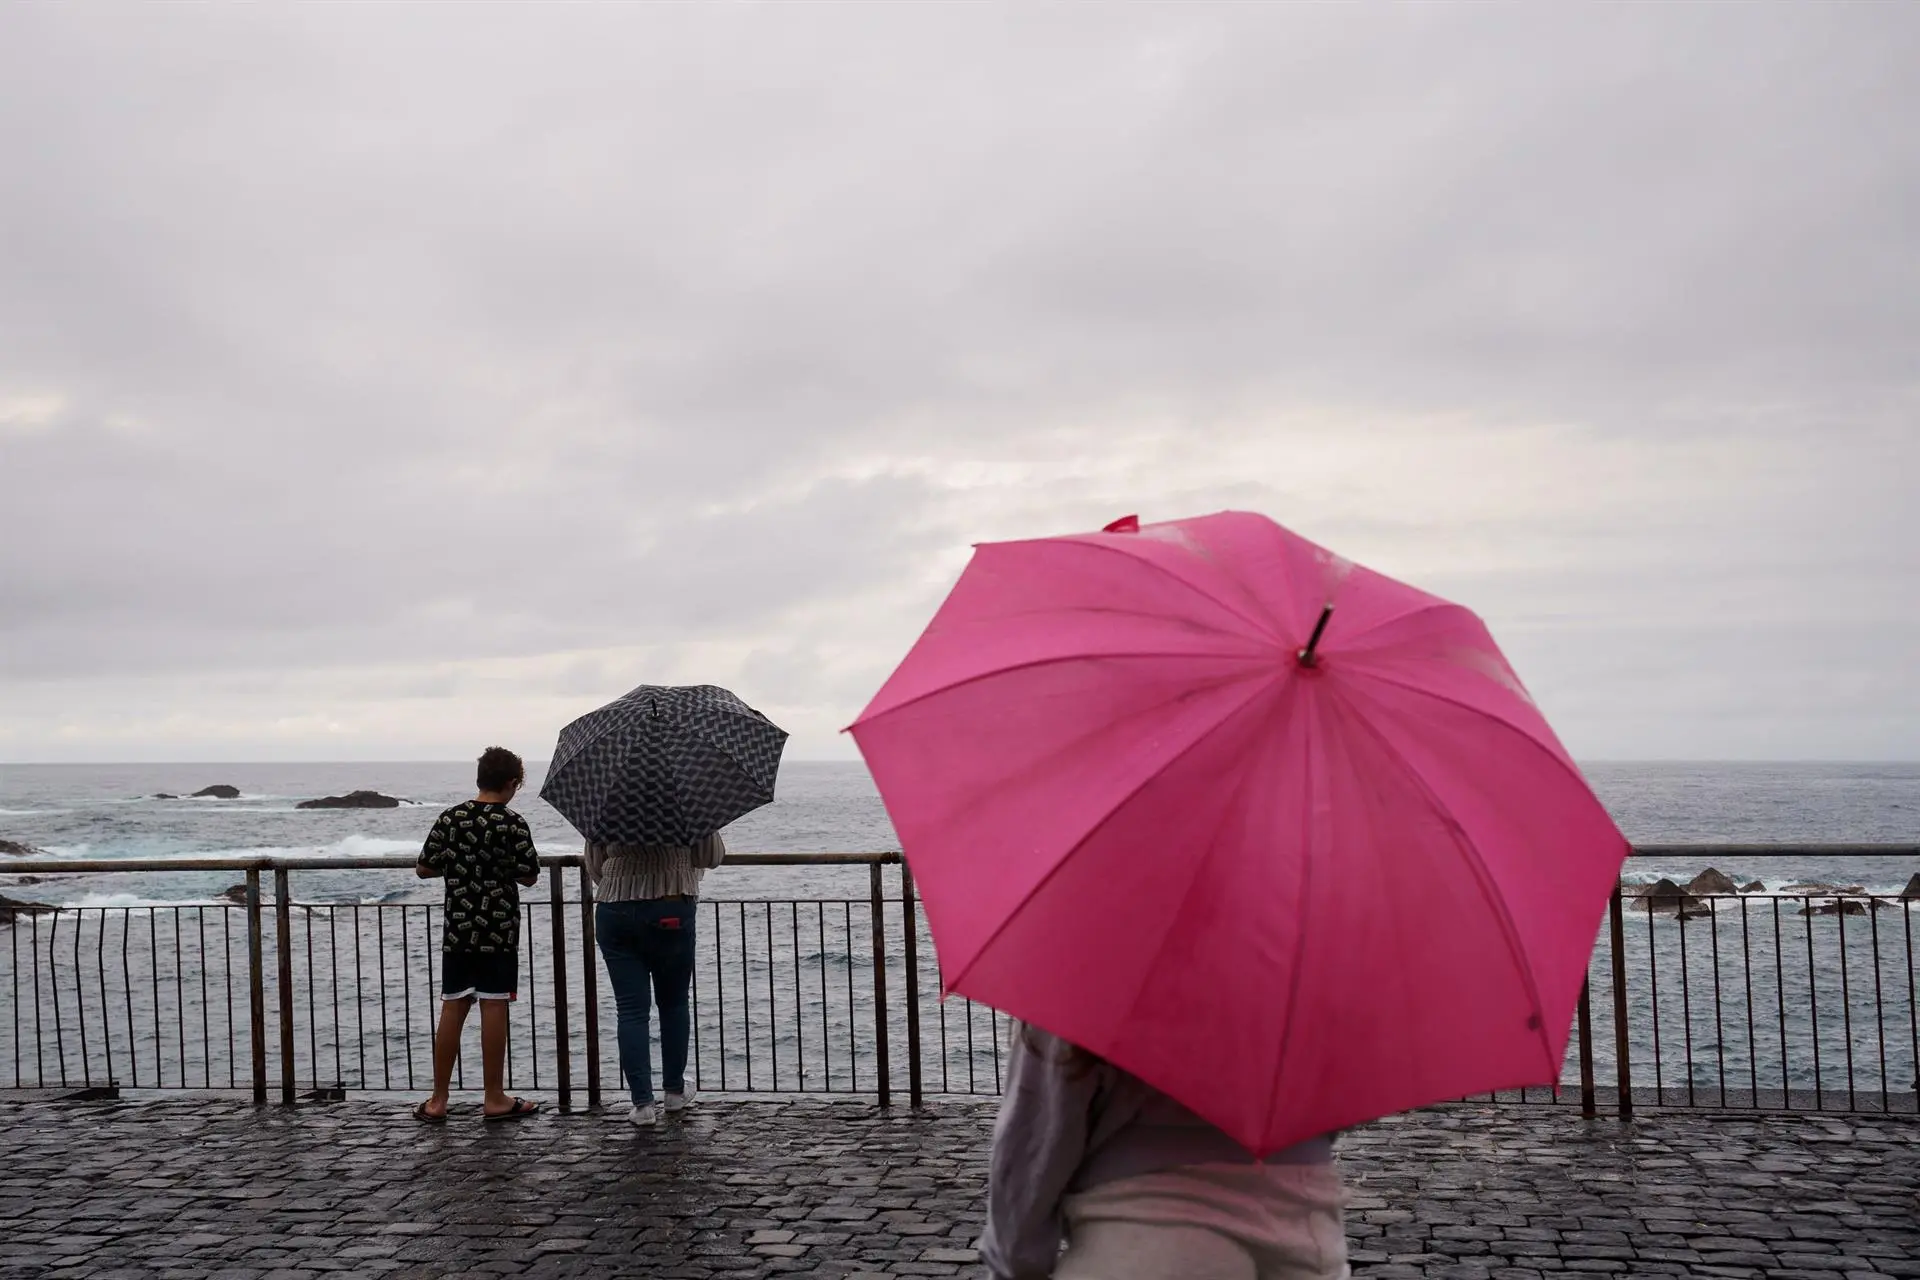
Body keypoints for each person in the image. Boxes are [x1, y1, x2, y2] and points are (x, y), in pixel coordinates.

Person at [980, 1023, 1349, 1280]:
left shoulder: (1092, 962)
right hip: (1307, 1235)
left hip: (1148, 1239)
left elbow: (1034, 1141)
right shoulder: (1319, 963)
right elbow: (1335, 1107)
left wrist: (1014, 1263)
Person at [412, 746, 542, 1122]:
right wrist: (497, 869)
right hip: (498, 930)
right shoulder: (512, 823)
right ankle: (494, 1096)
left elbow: (424, 868)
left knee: (453, 1005)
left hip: (459, 927)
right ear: (512, 783)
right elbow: (530, 875)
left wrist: (461, 867)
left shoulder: (451, 819)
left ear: (479, 778)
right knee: (494, 1005)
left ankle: (437, 1100)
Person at [586, 829, 725, 1125]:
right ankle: (674, 1091)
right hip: (671, 902)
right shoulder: (687, 797)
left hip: (615, 908)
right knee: (673, 1003)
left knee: (631, 1010)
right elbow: (710, 857)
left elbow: (595, 865)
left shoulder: (607, 799)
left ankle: (642, 1104)